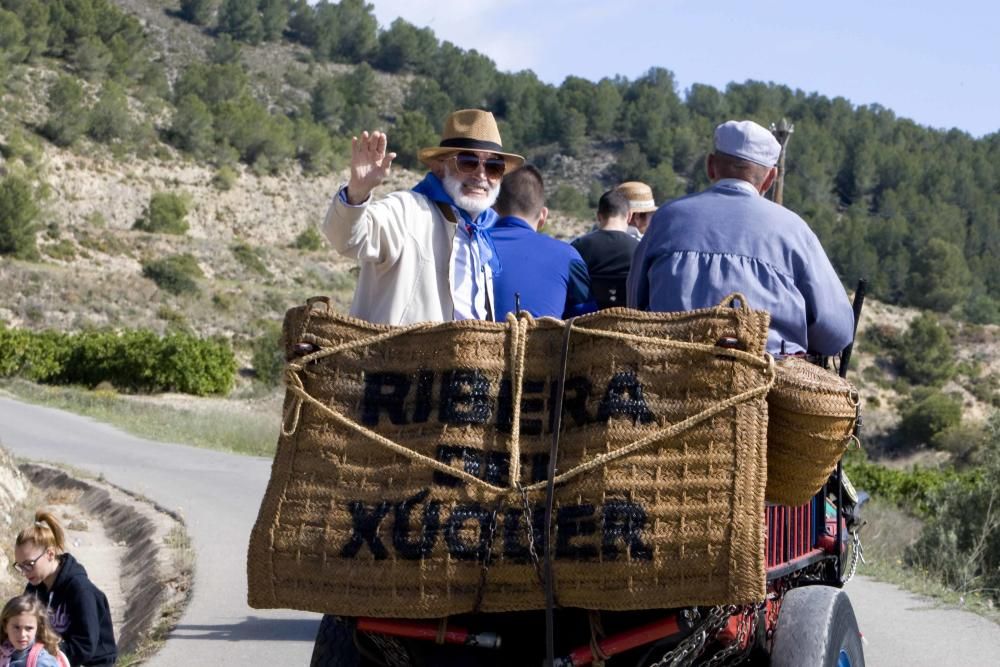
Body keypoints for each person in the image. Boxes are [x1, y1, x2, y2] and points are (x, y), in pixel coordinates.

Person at [627, 120, 854, 356]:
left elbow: (633, 303)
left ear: (711, 166)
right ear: (770, 178)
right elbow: (837, 331)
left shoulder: (667, 218)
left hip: (669, 370)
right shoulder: (794, 229)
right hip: (769, 378)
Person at [321, 108, 524, 325]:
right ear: (439, 167)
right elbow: (347, 239)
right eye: (468, 161)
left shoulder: (486, 232)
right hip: (400, 358)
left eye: (494, 166)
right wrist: (357, 191)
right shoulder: (408, 210)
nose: (481, 175)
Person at [14, 512, 117, 667]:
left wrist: (43, 656)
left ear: (50, 554)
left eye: (29, 564)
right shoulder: (34, 589)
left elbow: (85, 646)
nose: (24, 572)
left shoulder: (80, 590)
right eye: (20, 566)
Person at [489, 165, 592, 319]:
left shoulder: (470, 246)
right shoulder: (568, 255)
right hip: (545, 342)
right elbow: (587, 320)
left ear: (493, 208)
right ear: (543, 215)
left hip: (472, 342)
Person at [572, 189, 639, 309]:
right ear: (629, 216)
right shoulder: (640, 249)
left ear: (598, 216)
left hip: (587, 322)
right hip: (631, 321)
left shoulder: (578, 247)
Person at [0, 595, 65, 667]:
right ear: (5, 626)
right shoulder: (3, 652)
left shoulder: (42, 662)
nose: (22, 634)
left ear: (38, 628)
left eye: (29, 628)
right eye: (16, 627)